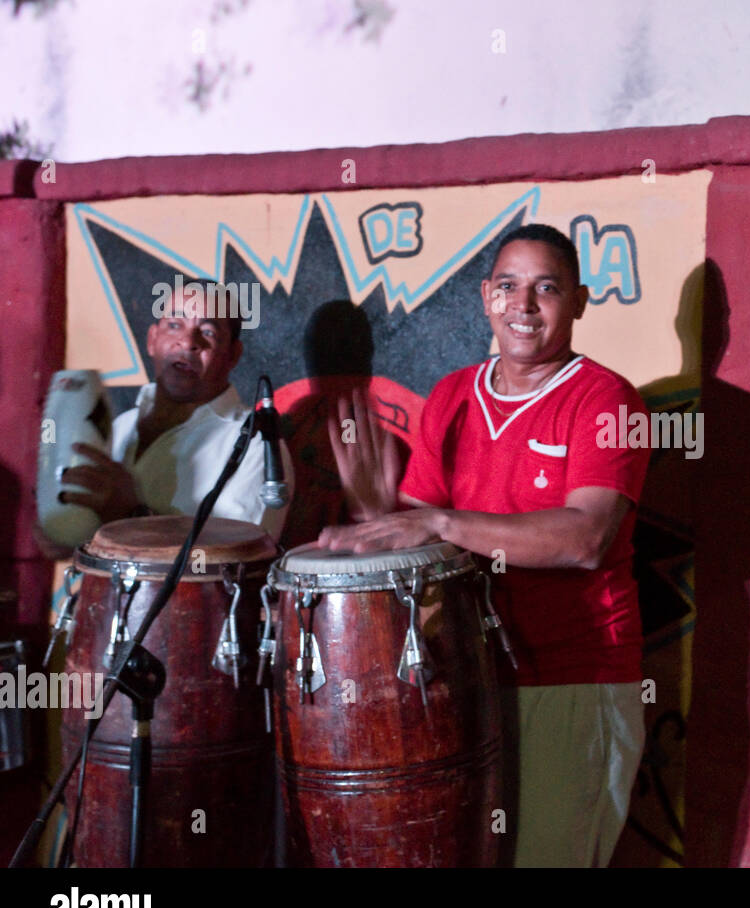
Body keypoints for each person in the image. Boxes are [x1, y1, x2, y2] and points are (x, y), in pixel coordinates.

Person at [319, 224, 650, 867]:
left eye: (546, 288)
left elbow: (585, 537)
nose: (523, 306)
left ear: (579, 301)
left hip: (572, 681)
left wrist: (441, 522)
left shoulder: (606, 399)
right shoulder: (451, 397)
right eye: (508, 286)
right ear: (485, 297)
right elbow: (420, 544)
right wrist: (372, 512)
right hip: (467, 683)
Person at [56, 285, 292, 542]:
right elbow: (83, 542)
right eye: (174, 325)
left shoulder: (257, 444)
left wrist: (132, 514)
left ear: (233, 355)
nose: (188, 342)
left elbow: (230, 564)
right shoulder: (121, 427)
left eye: (207, 332)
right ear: (152, 340)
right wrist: (63, 533)